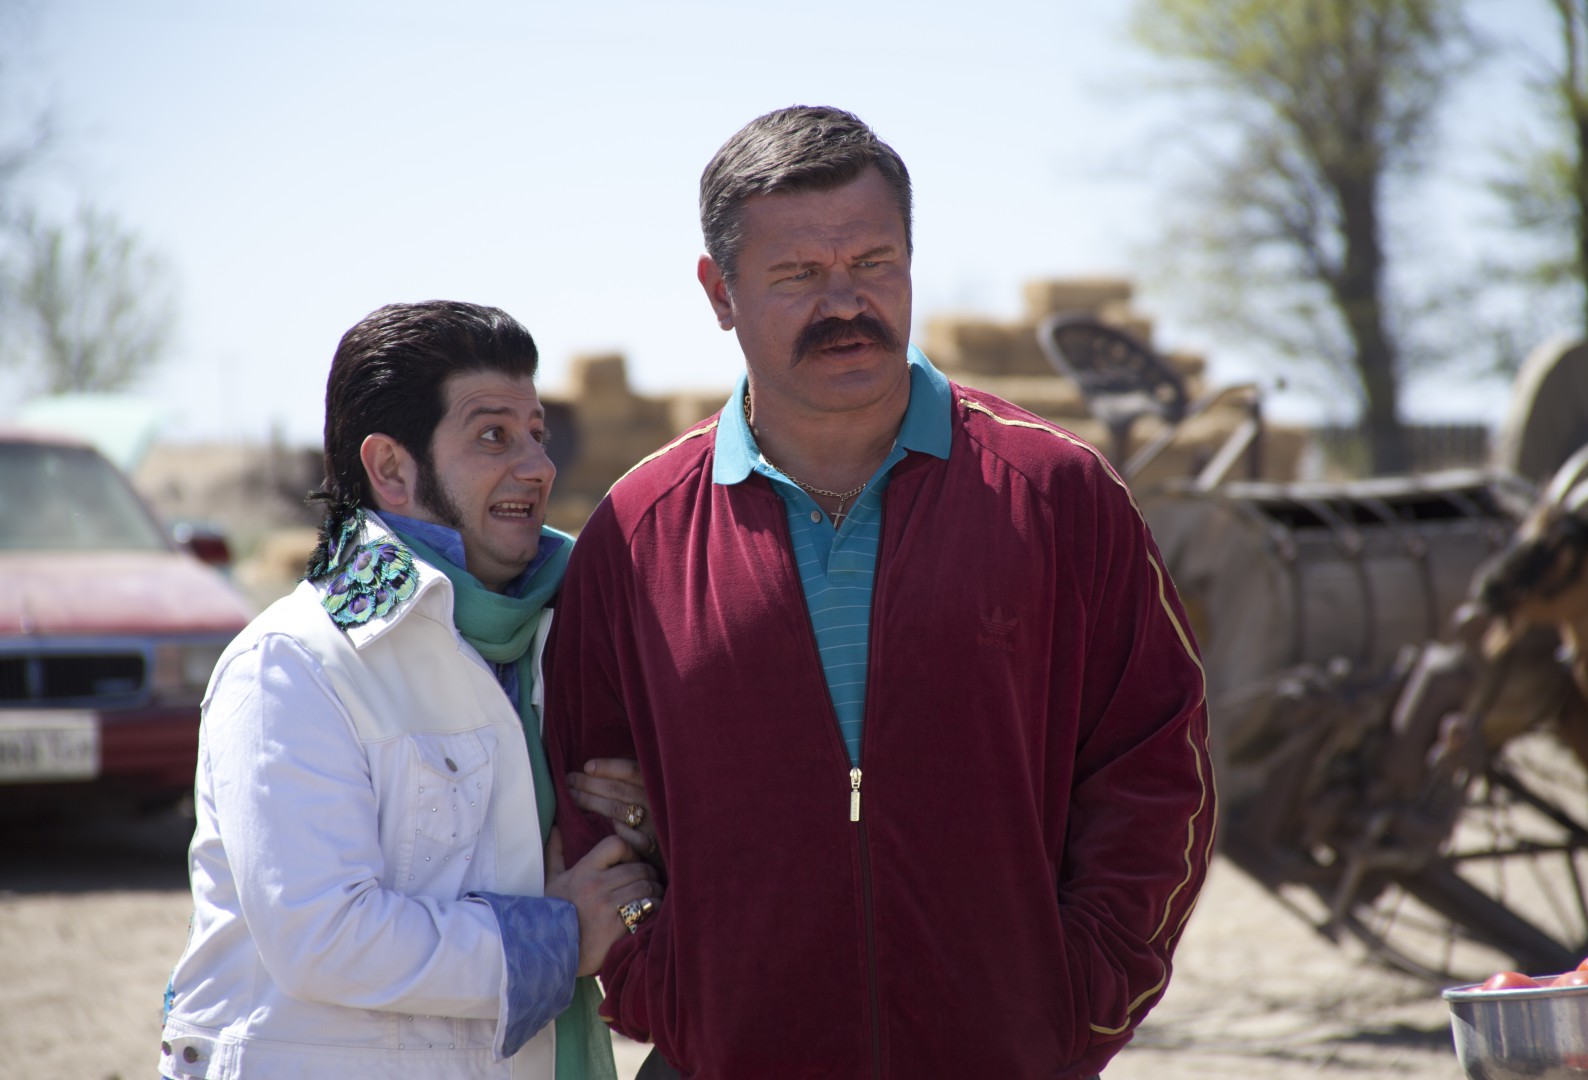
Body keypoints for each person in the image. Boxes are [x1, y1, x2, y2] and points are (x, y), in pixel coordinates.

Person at [546, 106, 1217, 1078]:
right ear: (719, 291)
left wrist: (1073, 998)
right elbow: (583, 797)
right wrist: (669, 987)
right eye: (796, 274)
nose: (844, 303)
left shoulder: (1055, 493)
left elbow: (1153, 764)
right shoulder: (637, 532)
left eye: (873, 263)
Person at [157, 300, 661, 1080]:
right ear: (392, 469)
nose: (538, 466)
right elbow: (321, 936)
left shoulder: (561, 637)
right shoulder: (292, 663)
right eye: (493, 435)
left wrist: (644, 830)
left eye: (536, 433)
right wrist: (559, 937)